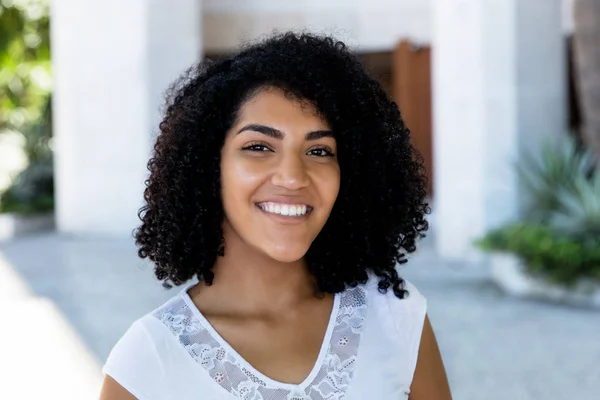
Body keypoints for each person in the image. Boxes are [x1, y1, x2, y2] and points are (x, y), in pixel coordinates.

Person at [99, 32, 452, 400]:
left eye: (319, 151)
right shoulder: (148, 361)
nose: (293, 177)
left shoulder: (396, 318)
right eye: (259, 146)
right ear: (208, 164)